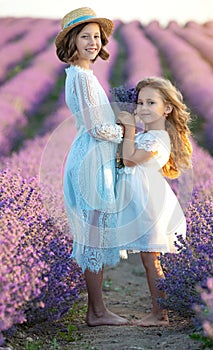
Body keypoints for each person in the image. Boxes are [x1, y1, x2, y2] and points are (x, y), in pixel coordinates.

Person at [55, 7, 128, 326]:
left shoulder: (83, 75)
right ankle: (97, 312)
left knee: (93, 233)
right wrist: (126, 132)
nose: (93, 42)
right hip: (91, 159)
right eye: (85, 36)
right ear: (72, 41)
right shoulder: (82, 77)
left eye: (96, 37)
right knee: (93, 235)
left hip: (94, 156)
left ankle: (97, 309)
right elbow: (97, 128)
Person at [116, 77, 192, 326]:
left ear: (167, 108)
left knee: (151, 260)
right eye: (140, 102)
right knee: (149, 260)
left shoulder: (157, 138)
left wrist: (128, 130)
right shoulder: (149, 134)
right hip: (143, 201)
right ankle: (159, 310)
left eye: (151, 102)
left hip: (149, 206)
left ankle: (160, 314)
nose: (144, 108)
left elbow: (129, 160)